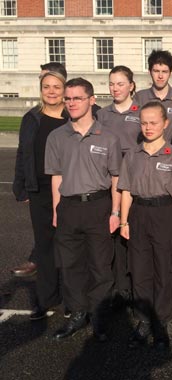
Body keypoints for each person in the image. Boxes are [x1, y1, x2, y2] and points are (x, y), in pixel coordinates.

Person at [45, 77, 122, 341]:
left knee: (101, 266)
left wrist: (116, 212)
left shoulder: (108, 137)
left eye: (77, 98)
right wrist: (57, 210)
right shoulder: (57, 137)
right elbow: (55, 176)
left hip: (99, 206)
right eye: (68, 98)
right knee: (71, 265)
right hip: (68, 207)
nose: (72, 103)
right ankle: (78, 313)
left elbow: (116, 178)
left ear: (91, 100)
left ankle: (99, 316)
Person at [118, 101, 172, 351]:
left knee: (164, 270)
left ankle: (161, 322)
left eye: (153, 123)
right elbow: (125, 190)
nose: (148, 127)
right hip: (138, 214)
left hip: (165, 215)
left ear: (165, 124)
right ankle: (144, 320)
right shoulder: (132, 155)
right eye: (144, 123)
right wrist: (124, 220)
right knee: (140, 270)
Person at [12, 71, 68, 319]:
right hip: (40, 190)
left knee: (68, 245)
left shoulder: (72, 117)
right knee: (44, 246)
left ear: (64, 89)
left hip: (68, 190)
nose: (52, 91)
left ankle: (71, 299)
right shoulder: (32, 118)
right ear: (41, 90)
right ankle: (46, 299)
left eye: (57, 86)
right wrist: (20, 184)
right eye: (47, 87)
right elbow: (23, 152)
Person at [97, 66, 141, 304]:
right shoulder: (103, 115)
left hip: (136, 180)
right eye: (112, 83)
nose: (115, 88)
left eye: (120, 83)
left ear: (131, 85)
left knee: (134, 232)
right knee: (115, 234)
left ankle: (138, 283)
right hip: (111, 181)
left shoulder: (141, 111)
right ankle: (120, 285)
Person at [134, 50, 172, 143]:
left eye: (164, 71)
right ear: (149, 72)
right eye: (156, 71)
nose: (160, 76)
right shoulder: (140, 97)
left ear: (170, 73)